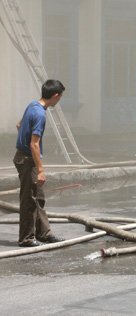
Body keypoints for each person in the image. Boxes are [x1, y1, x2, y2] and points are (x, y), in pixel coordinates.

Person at [13, 79, 66, 247]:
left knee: (38, 197)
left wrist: (23, 140)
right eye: (60, 97)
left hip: (25, 156)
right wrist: (41, 170)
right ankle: (26, 238)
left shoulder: (32, 105)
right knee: (29, 200)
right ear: (55, 96)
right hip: (28, 159)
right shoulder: (40, 114)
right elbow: (34, 143)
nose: (59, 101)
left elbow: (19, 124)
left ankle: (44, 233)